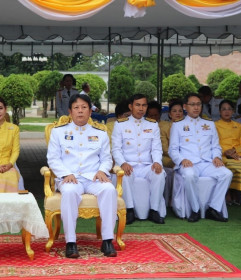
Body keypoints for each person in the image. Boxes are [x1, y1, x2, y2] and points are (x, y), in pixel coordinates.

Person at [47, 94, 117, 258]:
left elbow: (106, 158)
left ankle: (107, 240)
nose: (80, 111)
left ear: (90, 111)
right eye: (76, 108)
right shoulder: (58, 132)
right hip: (69, 178)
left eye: (84, 107)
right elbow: (53, 158)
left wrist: (103, 170)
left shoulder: (100, 134)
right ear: (70, 111)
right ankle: (71, 243)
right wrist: (65, 173)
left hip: (93, 177)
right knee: (70, 192)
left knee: (109, 189)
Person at [168, 93, 232, 223]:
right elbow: (173, 149)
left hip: (208, 163)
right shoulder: (178, 125)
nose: (196, 108)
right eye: (192, 104)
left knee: (227, 174)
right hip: (189, 163)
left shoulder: (209, 124)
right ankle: (195, 210)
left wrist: (217, 157)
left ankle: (213, 208)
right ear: (185, 107)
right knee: (190, 176)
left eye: (198, 104)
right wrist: (181, 160)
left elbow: (216, 146)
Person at [112, 94, 166, 225]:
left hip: (147, 165)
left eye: (144, 105)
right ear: (131, 106)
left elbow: (156, 148)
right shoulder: (120, 124)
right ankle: (129, 210)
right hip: (129, 164)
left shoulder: (152, 125)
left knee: (160, 174)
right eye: (138, 105)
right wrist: (123, 163)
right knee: (124, 175)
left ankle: (154, 210)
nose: (141, 108)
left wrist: (157, 162)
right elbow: (116, 149)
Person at [215, 100, 241, 205]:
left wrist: (234, 151)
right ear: (220, 112)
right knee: (229, 165)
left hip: (237, 153)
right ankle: (228, 194)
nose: (227, 112)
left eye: (229, 109)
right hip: (222, 154)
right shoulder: (215, 125)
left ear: (233, 111)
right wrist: (226, 152)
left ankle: (240, 194)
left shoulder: (238, 125)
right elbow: (214, 143)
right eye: (224, 109)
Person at [159, 99, 184, 168]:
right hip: (169, 157)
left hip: (186, 156)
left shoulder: (187, 127)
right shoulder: (164, 128)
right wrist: (178, 157)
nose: (178, 113)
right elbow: (165, 149)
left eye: (180, 111)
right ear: (170, 114)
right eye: (174, 111)